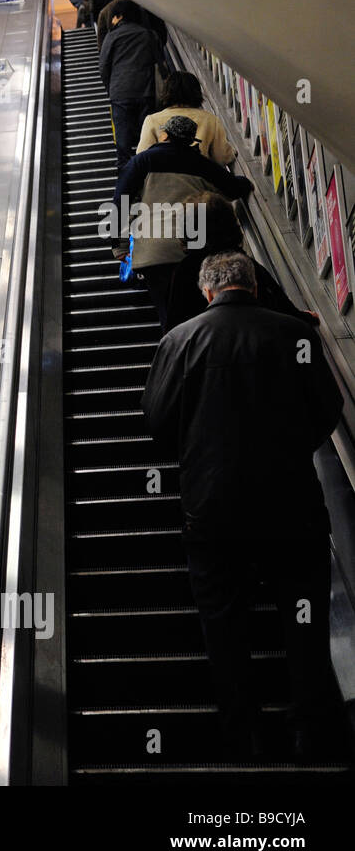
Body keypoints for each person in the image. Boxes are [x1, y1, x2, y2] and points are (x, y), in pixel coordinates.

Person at [142, 249, 343, 760]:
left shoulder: (178, 340)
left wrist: (199, 458)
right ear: (253, 286)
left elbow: (158, 423)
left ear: (206, 292)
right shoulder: (294, 334)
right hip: (291, 506)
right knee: (303, 619)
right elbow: (327, 409)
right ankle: (313, 732)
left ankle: (244, 735)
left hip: (212, 512)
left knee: (224, 624)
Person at [111, 115, 254, 328]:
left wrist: (119, 245)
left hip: (154, 253)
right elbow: (233, 188)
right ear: (190, 141)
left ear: (165, 135)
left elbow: (120, 199)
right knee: (200, 317)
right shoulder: (200, 163)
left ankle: (175, 352)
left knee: (169, 320)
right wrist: (244, 180)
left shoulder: (142, 161)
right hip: (192, 250)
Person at [165, 193, 313, 330]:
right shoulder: (243, 265)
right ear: (229, 226)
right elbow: (279, 304)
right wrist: (304, 317)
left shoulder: (184, 271)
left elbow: (174, 324)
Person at [99, 0, 163, 168]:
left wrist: (111, 89)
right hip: (146, 92)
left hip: (120, 94)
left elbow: (103, 66)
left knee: (123, 148)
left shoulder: (111, 36)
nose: (111, 20)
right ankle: (146, 181)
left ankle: (127, 193)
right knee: (147, 142)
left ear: (120, 16)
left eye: (114, 17)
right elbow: (160, 62)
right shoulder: (148, 34)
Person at [137, 71, 236, 165]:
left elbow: (142, 156)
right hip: (198, 179)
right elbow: (222, 157)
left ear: (166, 92)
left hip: (162, 180)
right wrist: (232, 152)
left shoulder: (152, 120)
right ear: (197, 92)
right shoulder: (210, 120)